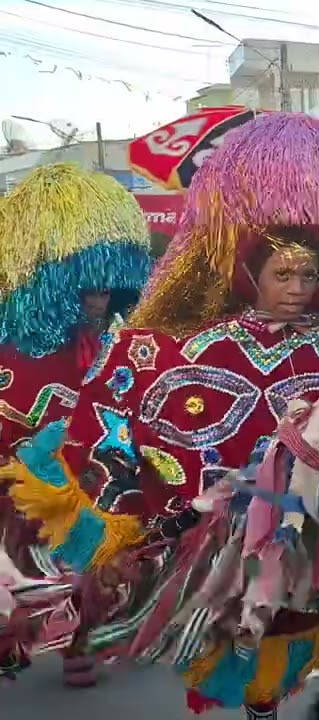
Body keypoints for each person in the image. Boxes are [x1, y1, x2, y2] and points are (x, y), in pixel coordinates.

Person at [1, 114, 319, 720]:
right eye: (282, 274)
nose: (296, 287)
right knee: (259, 636)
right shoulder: (189, 346)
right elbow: (127, 398)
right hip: (243, 533)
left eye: (308, 274)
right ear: (251, 276)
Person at [0, 163, 153, 687]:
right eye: (88, 287)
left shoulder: (117, 339)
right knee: (23, 569)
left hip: (89, 478)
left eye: (109, 287)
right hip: (19, 482)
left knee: (91, 564)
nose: (101, 299)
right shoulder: (14, 346)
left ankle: (81, 641)